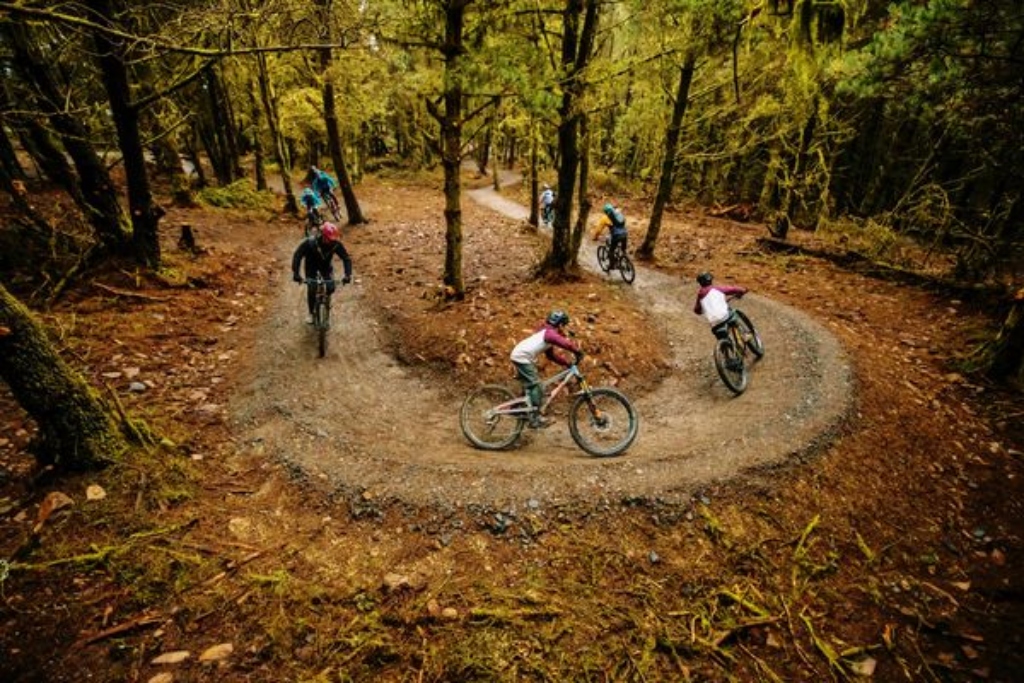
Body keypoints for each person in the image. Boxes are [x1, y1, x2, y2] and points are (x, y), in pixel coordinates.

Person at [510, 310, 583, 429]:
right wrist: (577, 350)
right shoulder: (550, 333)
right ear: (560, 325)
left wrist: (567, 363)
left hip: (523, 357)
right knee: (536, 385)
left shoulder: (547, 335)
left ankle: (518, 408)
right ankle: (535, 419)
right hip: (521, 357)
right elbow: (565, 343)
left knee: (532, 387)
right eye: (564, 325)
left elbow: (551, 356)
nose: (565, 328)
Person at [291, 222, 353, 323]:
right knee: (312, 288)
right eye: (329, 239)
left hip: (325, 267)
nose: (331, 241)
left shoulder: (335, 244)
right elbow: (298, 255)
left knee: (330, 287)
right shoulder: (310, 243)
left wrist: (347, 274)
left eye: (333, 239)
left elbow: (346, 258)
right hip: (311, 267)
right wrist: (296, 273)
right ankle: (311, 313)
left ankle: (327, 302)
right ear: (323, 235)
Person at [693, 271, 747, 340]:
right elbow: (732, 289)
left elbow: (696, 310)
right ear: (710, 279)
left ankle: (724, 346)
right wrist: (742, 290)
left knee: (721, 336)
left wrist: (702, 310)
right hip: (724, 316)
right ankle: (744, 334)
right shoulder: (716, 289)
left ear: (700, 283)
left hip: (714, 323)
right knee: (734, 313)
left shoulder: (700, 295)